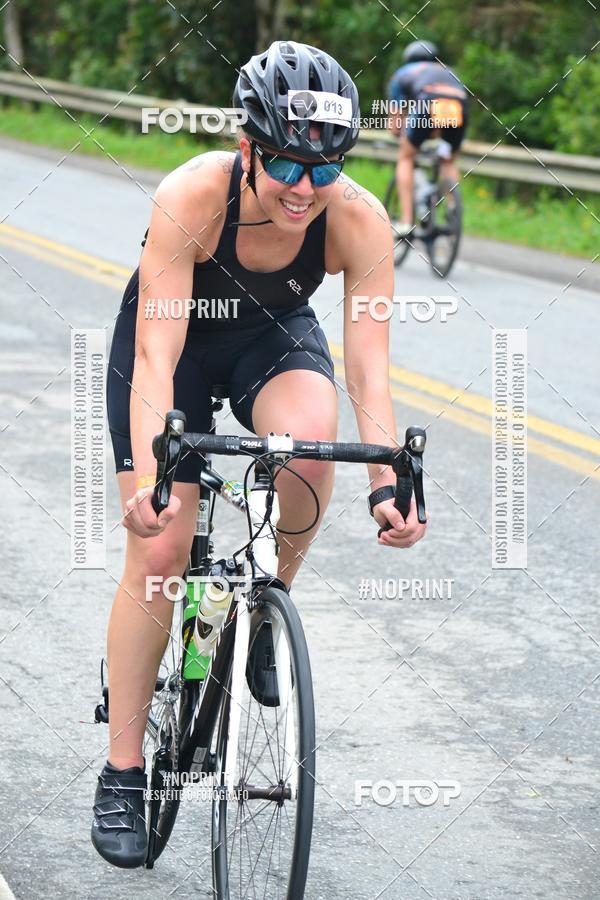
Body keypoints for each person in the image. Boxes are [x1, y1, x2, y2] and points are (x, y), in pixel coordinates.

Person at [91, 39, 427, 868]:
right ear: (249, 148)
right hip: (172, 347)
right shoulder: (192, 194)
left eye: (326, 168)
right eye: (285, 164)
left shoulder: (359, 219)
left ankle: (263, 608)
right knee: (164, 548)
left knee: (310, 453)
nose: (306, 188)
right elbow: (158, 356)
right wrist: (151, 478)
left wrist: (388, 480)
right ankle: (125, 772)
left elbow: (367, 371)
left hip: (270, 342)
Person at [388, 40, 469, 236]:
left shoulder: (402, 74)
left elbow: (396, 122)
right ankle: (452, 207)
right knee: (448, 159)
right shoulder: (449, 70)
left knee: (406, 157)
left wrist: (401, 134)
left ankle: (406, 222)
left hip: (428, 102)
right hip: (459, 105)